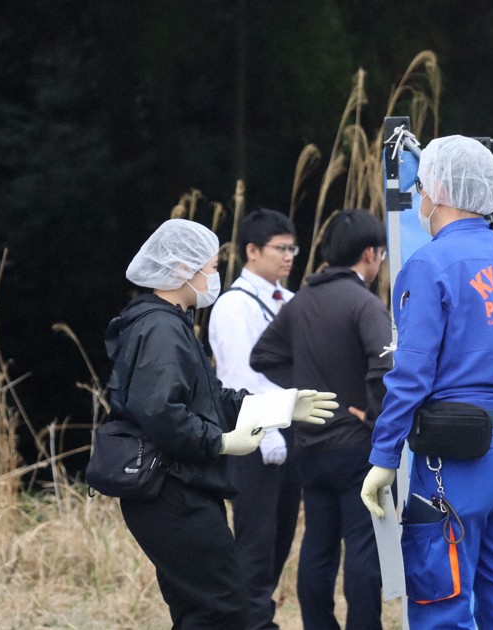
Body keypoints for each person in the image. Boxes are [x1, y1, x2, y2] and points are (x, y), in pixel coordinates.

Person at [105, 218, 338, 629]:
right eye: (211, 268)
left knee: (202, 611)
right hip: (171, 489)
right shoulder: (160, 328)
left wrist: (280, 407)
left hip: (181, 486)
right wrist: (220, 442)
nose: (215, 278)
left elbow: (215, 397)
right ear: (182, 269)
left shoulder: (172, 322)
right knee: (223, 608)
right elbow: (160, 412)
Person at [359, 136, 493, 629]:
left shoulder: (429, 264)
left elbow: (411, 373)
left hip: (458, 460)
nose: (420, 198)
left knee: (440, 604)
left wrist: (384, 456)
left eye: (422, 188)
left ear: (438, 191)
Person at [250, 209, 392, 630]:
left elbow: (262, 356)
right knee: (362, 550)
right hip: (356, 447)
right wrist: (374, 417)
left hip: (310, 446)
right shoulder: (364, 303)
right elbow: (385, 368)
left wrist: (304, 391)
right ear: (370, 253)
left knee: (318, 547)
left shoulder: (301, 301)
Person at [207, 208, 300, 629]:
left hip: (293, 432)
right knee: (256, 539)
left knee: (281, 536)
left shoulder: (291, 301)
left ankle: (257, 615)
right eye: (280, 248)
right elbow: (238, 375)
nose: (289, 256)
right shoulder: (233, 305)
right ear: (252, 251)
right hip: (254, 436)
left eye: (292, 248)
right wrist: (266, 431)